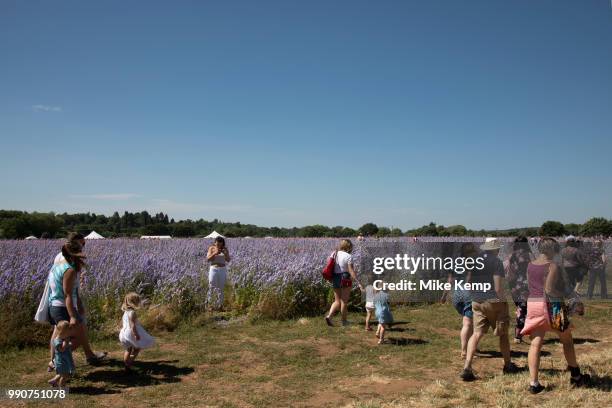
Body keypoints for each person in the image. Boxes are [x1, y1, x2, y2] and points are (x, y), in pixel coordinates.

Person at [521, 237, 590, 394]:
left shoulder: (530, 265)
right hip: (552, 306)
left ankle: (534, 383)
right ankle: (576, 376)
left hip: (533, 304)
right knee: (567, 341)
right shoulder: (552, 266)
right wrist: (567, 298)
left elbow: (530, 285)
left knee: (535, 343)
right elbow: (550, 289)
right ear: (552, 250)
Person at [461, 238, 519, 381]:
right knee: (503, 334)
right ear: (494, 249)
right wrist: (503, 300)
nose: (499, 250)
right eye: (498, 248)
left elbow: (468, 282)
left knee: (476, 334)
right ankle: (507, 365)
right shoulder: (496, 262)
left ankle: (467, 367)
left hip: (477, 301)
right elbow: (498, 287)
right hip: (493, 301)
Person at [47, 240, 106, 369]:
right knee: (78, 336)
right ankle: (57, 361)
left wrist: (78, 303)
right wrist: (73, 315)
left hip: (55, 306)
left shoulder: (55, 266)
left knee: (59, 336)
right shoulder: (69, 270)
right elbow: (67, 294)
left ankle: (56, 362)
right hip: (63, 307)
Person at [441, 242, 476, 358]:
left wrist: (444, 295)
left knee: (468, 322)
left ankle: (470, 345)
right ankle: (465, 350)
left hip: (456, 296)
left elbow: (450, 281)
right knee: (467, 323)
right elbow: (469, 280)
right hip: (468, 295)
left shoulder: (455, 263)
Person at [324, 239, 363, 327]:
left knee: (337, 301)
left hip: (335, 277)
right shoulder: (348, 256)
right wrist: (358, 282)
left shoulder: (334, 253)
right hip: (345, 278)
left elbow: (330, 266)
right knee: (344, 301)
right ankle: (344, 322)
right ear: (348, 247)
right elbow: (351, 271)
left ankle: (329, 316)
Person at [506, 236, 533, 343]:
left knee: (520, 307)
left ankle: (520, 332)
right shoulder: (526, 255)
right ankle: (518, 335)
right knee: (523, 309)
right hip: (523, 285)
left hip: (512, 285)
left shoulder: (511, 255)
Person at [119, 293, 155, 371]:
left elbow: (122, 323)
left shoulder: (125, 312)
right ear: (134, 302)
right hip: (130, 333)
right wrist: (136, 335)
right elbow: (132, 325)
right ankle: (129, 363)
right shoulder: (132, 313)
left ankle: (126, 364)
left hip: (123, 333)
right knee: (137, 348)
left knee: (128, 349)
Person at [48, 321, 75, 388]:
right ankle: (62, 388)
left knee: (63, 374)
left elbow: (66, 347)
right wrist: (66, 342)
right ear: (63, 332)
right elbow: (61, 349)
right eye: (68, 332)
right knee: (64, 376)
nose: (69, 334)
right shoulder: (57, 340)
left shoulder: (62, 339)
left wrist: (68, 344)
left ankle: (54, 381)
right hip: (61, 362)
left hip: (65, 360)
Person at [206, 237, 231, 310]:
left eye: (221, 242)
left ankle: (220, 305)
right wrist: (215, 253)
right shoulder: (211, 248)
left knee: (221, 287)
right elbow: (208, 259)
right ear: (215, 242)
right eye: (217, 242)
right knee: (212, 285)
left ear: (222, 243)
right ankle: (210, 305)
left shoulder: (225, 249)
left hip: (222, 269)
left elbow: (228, 260)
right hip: (213, 268)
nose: (219, 244)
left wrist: (225, 254)